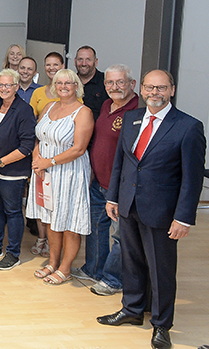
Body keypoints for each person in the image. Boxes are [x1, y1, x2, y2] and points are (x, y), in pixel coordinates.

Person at [96, 70, 204, 349]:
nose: (154, 93)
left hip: (163, 212)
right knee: (131, 262)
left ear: (172, 90)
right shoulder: (131, 119)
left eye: (161, 88)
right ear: (141, 89)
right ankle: (132, 310)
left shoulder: (188, 127)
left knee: (161, 270)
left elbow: (192, 180)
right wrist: (113, 198)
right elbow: (122, 162)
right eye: (149, 88)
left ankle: (161, 324)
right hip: (128, 205)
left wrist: (183, 218)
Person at [74, 64, 139, 296]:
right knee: (96, 229)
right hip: (99, 182)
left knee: (120, 236)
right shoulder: (106, 105)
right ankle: (93, 269)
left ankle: (113, 279)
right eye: (110, 83)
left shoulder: (137, 112)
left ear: (132, 84)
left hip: (121, 187)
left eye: (120, 82)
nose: (115, 87)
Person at [27, 68, 95, 285]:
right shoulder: (49, 106)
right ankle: (52, 262)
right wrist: (37, 159)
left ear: (77, 86)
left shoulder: (83, 112)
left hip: (69, 173)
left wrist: (49, 162)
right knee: (50, 219)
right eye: (59, 83)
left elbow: (79, 148)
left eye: (68, 83)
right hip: (45, 172)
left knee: (69, 221)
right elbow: (39, 137)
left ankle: (65, 268)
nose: (63, 87)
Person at [0, 68, 37, 271]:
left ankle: (13, 253)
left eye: (8, 85)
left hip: (12, 172)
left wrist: (0, 163)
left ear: (16, 87)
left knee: (12, 211)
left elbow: (27, 146)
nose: (4, 88)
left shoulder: (24, 110)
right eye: (1, 85)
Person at [29, 52, 77, 116]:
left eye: (55, 65)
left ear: (63, 66)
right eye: (48, 65)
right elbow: (30, 118)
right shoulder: (38, 92)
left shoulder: (71, 91)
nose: (51, 68)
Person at [75, 46, 107, 120]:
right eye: (80, 59)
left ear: (96, 62)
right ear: (75, 61)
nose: (84, 64)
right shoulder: (68, 82)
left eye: (88, 60)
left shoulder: (106, 82)